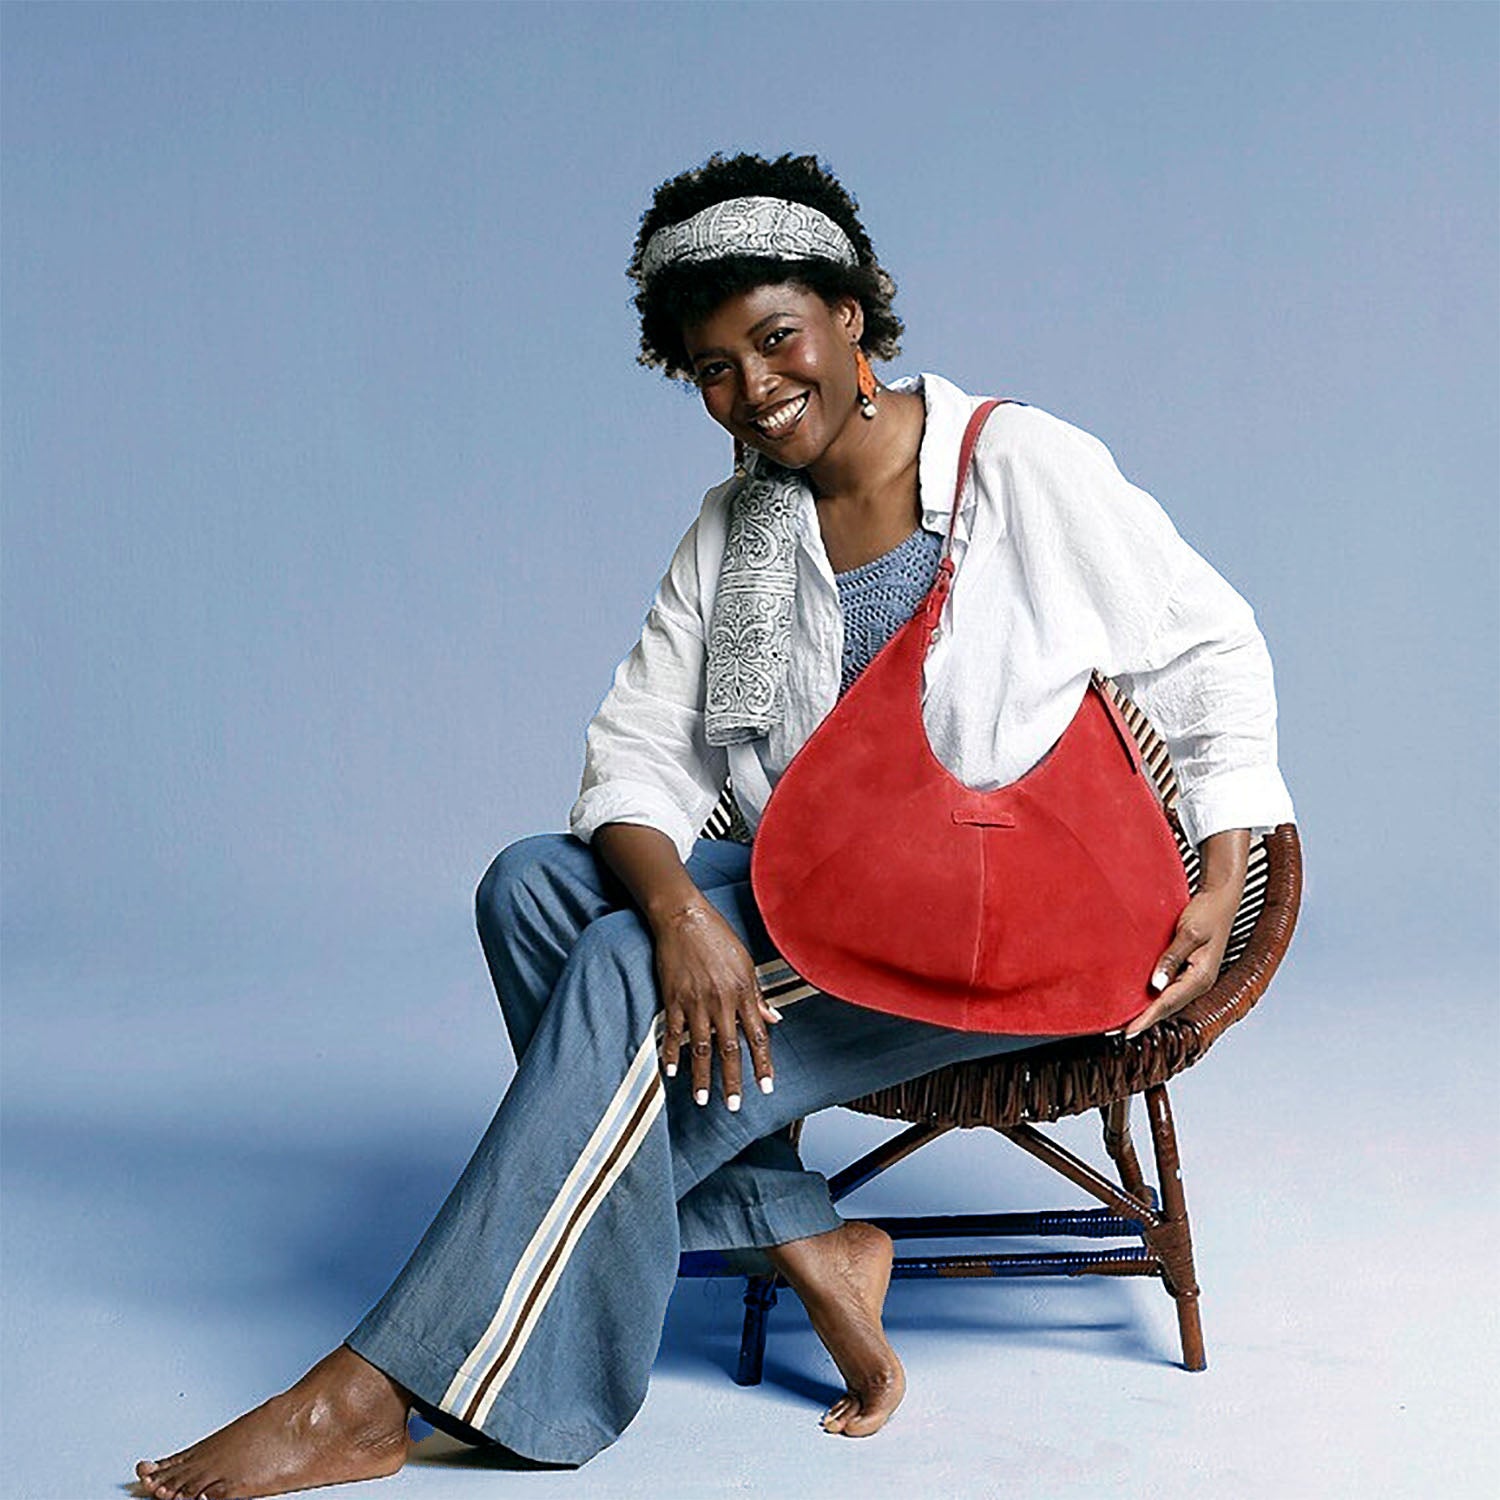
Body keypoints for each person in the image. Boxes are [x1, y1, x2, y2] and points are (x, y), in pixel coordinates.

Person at [134, 151, 1294, 1500]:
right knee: (533, 889)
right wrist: (685, 909)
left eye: (777, 338)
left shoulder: (1010, 463)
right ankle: (798, 1234)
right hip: (848, 898)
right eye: (714, 366)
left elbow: (1208, 647)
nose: (754, 387)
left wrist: (1219, 868)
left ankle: (377, 1390)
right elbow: (636, 754)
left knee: (622, 969)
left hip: (1023, 926)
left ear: (852, 315)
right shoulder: (745, 529)